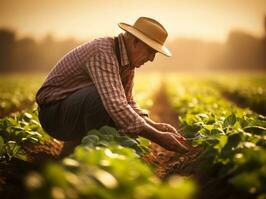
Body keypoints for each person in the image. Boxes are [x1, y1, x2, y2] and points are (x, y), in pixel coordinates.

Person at [36, 17, 189, 153]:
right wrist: (159, 137)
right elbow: (116, 105)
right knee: (105, 102)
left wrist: (156, 126)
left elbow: (127, 102)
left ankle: (74, 150)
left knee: (125, 119)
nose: (151, 59)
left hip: (69, 112)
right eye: (151, 52)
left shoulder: (127, 63)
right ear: (135, 41)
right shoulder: (102, 52)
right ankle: (92, 152)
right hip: (53, 114)